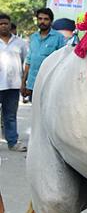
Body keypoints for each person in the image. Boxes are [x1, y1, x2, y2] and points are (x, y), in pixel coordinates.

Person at [22, 8, 66, 100]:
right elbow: (29, 61)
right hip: (32, 85)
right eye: (40, 19)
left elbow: (63, 61)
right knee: (35, 113)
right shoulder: (33, 37)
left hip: (50, 84)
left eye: (46, 19)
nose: (42, 21)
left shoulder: (59, 38)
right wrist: (23, 83)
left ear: (51, 21)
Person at [0, 12, 28, 150]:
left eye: (6, 23)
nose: (3, 26)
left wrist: (23, 82)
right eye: (1, 24)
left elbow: (25, 63)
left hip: (13, 85)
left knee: (10, 115)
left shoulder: (20, 43)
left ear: (10, 25)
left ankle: (12, 142)